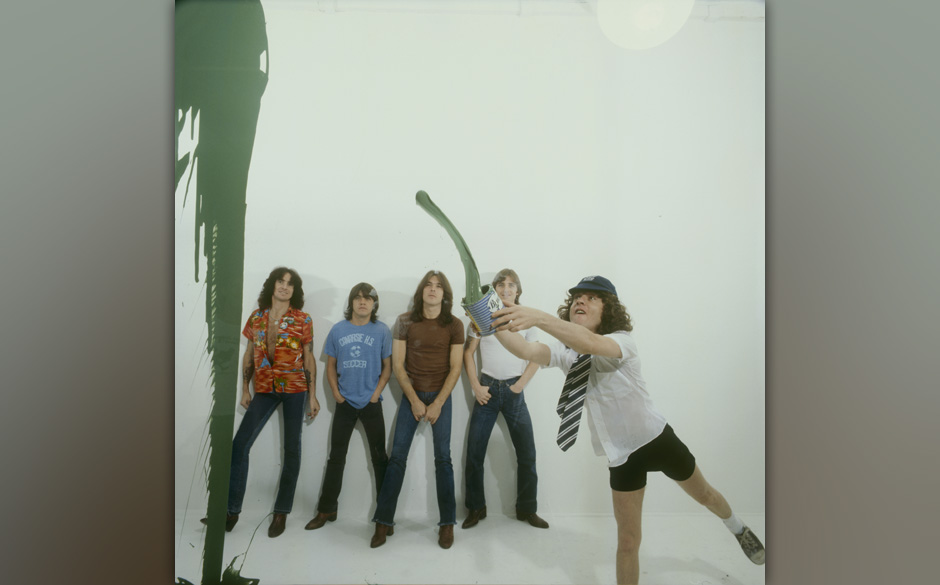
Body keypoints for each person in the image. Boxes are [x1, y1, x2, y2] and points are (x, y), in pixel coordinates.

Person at [490, 275, 765, 585]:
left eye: (592, 297)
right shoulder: (567, 353)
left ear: (608, 310)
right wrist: (488, 321)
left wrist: (538, 316)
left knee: (706, 495)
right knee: (628, 543)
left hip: (656, 439)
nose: (581, 300)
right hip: (621, 455)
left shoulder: (621, 340)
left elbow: (591, 343)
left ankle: (737, 526)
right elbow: (525, 351)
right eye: (577, 297)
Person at [202, 266, 320, 538]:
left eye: (290, 284)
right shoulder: (256, 318)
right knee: (239, 445)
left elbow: (309, 357)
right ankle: (231, 513)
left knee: (292, 449)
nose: (285, 287)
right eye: (281, 281)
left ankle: (281, 513)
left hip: (294, 389)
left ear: (295, 291)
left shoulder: (303, 319)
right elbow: (249, 355)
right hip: (264, 388)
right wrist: (245, 388)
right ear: (272, 285)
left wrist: (312, 396)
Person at [370, 270, 464, 550]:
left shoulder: (455, 324)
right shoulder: (404, 321)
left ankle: (447, 523)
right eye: (428, 286)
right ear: (421, 291)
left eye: (438, 287)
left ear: (444, 294)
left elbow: (456, 367)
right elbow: (398, 366)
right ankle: (383, 521)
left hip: (441, 397)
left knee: (443, 459)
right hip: (412, 395)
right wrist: (413, 399)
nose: (433, 290)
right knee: (397, 457)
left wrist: (437, 403)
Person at [462, 268, 548, 530]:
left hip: (514, 394)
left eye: (512, 285)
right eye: (501, 285)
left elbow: (536, 356)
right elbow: (468, 354)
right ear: (495, 290)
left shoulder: (525, 319)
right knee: (475, 453)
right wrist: (475, 385)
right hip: (487, 392)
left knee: (527, 454)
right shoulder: (481, 317)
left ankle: (527, 509)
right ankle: (476, 508)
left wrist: (520, 385)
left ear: (518, 291)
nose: (506, 289)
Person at [305, 283, 393, 531]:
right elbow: (330, 366)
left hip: (371, 402)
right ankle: (327, 509)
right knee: (336, 458)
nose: (362, 302)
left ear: (374, 304)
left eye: (368, 299)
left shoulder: (382, 331)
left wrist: (376, 394)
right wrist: (335, 393)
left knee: (380, 459)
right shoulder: (338, 330)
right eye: (358, 298)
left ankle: (385, 516)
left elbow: (388, 367)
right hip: (345, 402)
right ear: (351, 302)